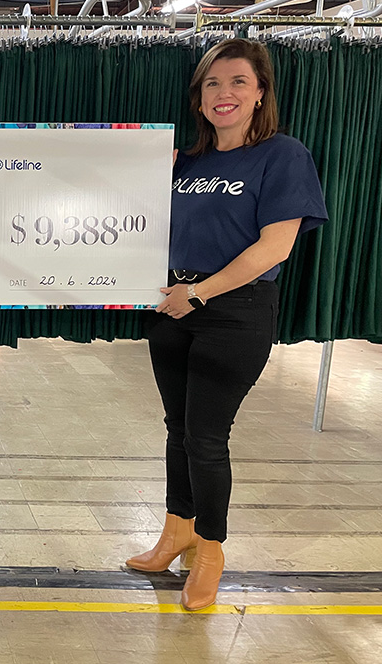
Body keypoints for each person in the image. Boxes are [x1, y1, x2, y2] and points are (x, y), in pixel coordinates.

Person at [125, 39, 328, 611]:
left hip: (233, 312)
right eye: (212, 84)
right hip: (173, 306)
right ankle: (176, 531)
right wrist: (143, 170)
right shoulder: (186, 162)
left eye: (238, 82)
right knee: (177, 429)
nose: (224, 94)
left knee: (207, 438)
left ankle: (210, 549)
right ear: (199, 96)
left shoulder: (283, 156)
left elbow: (275, 247)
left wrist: (201, 293)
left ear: (260, 91)